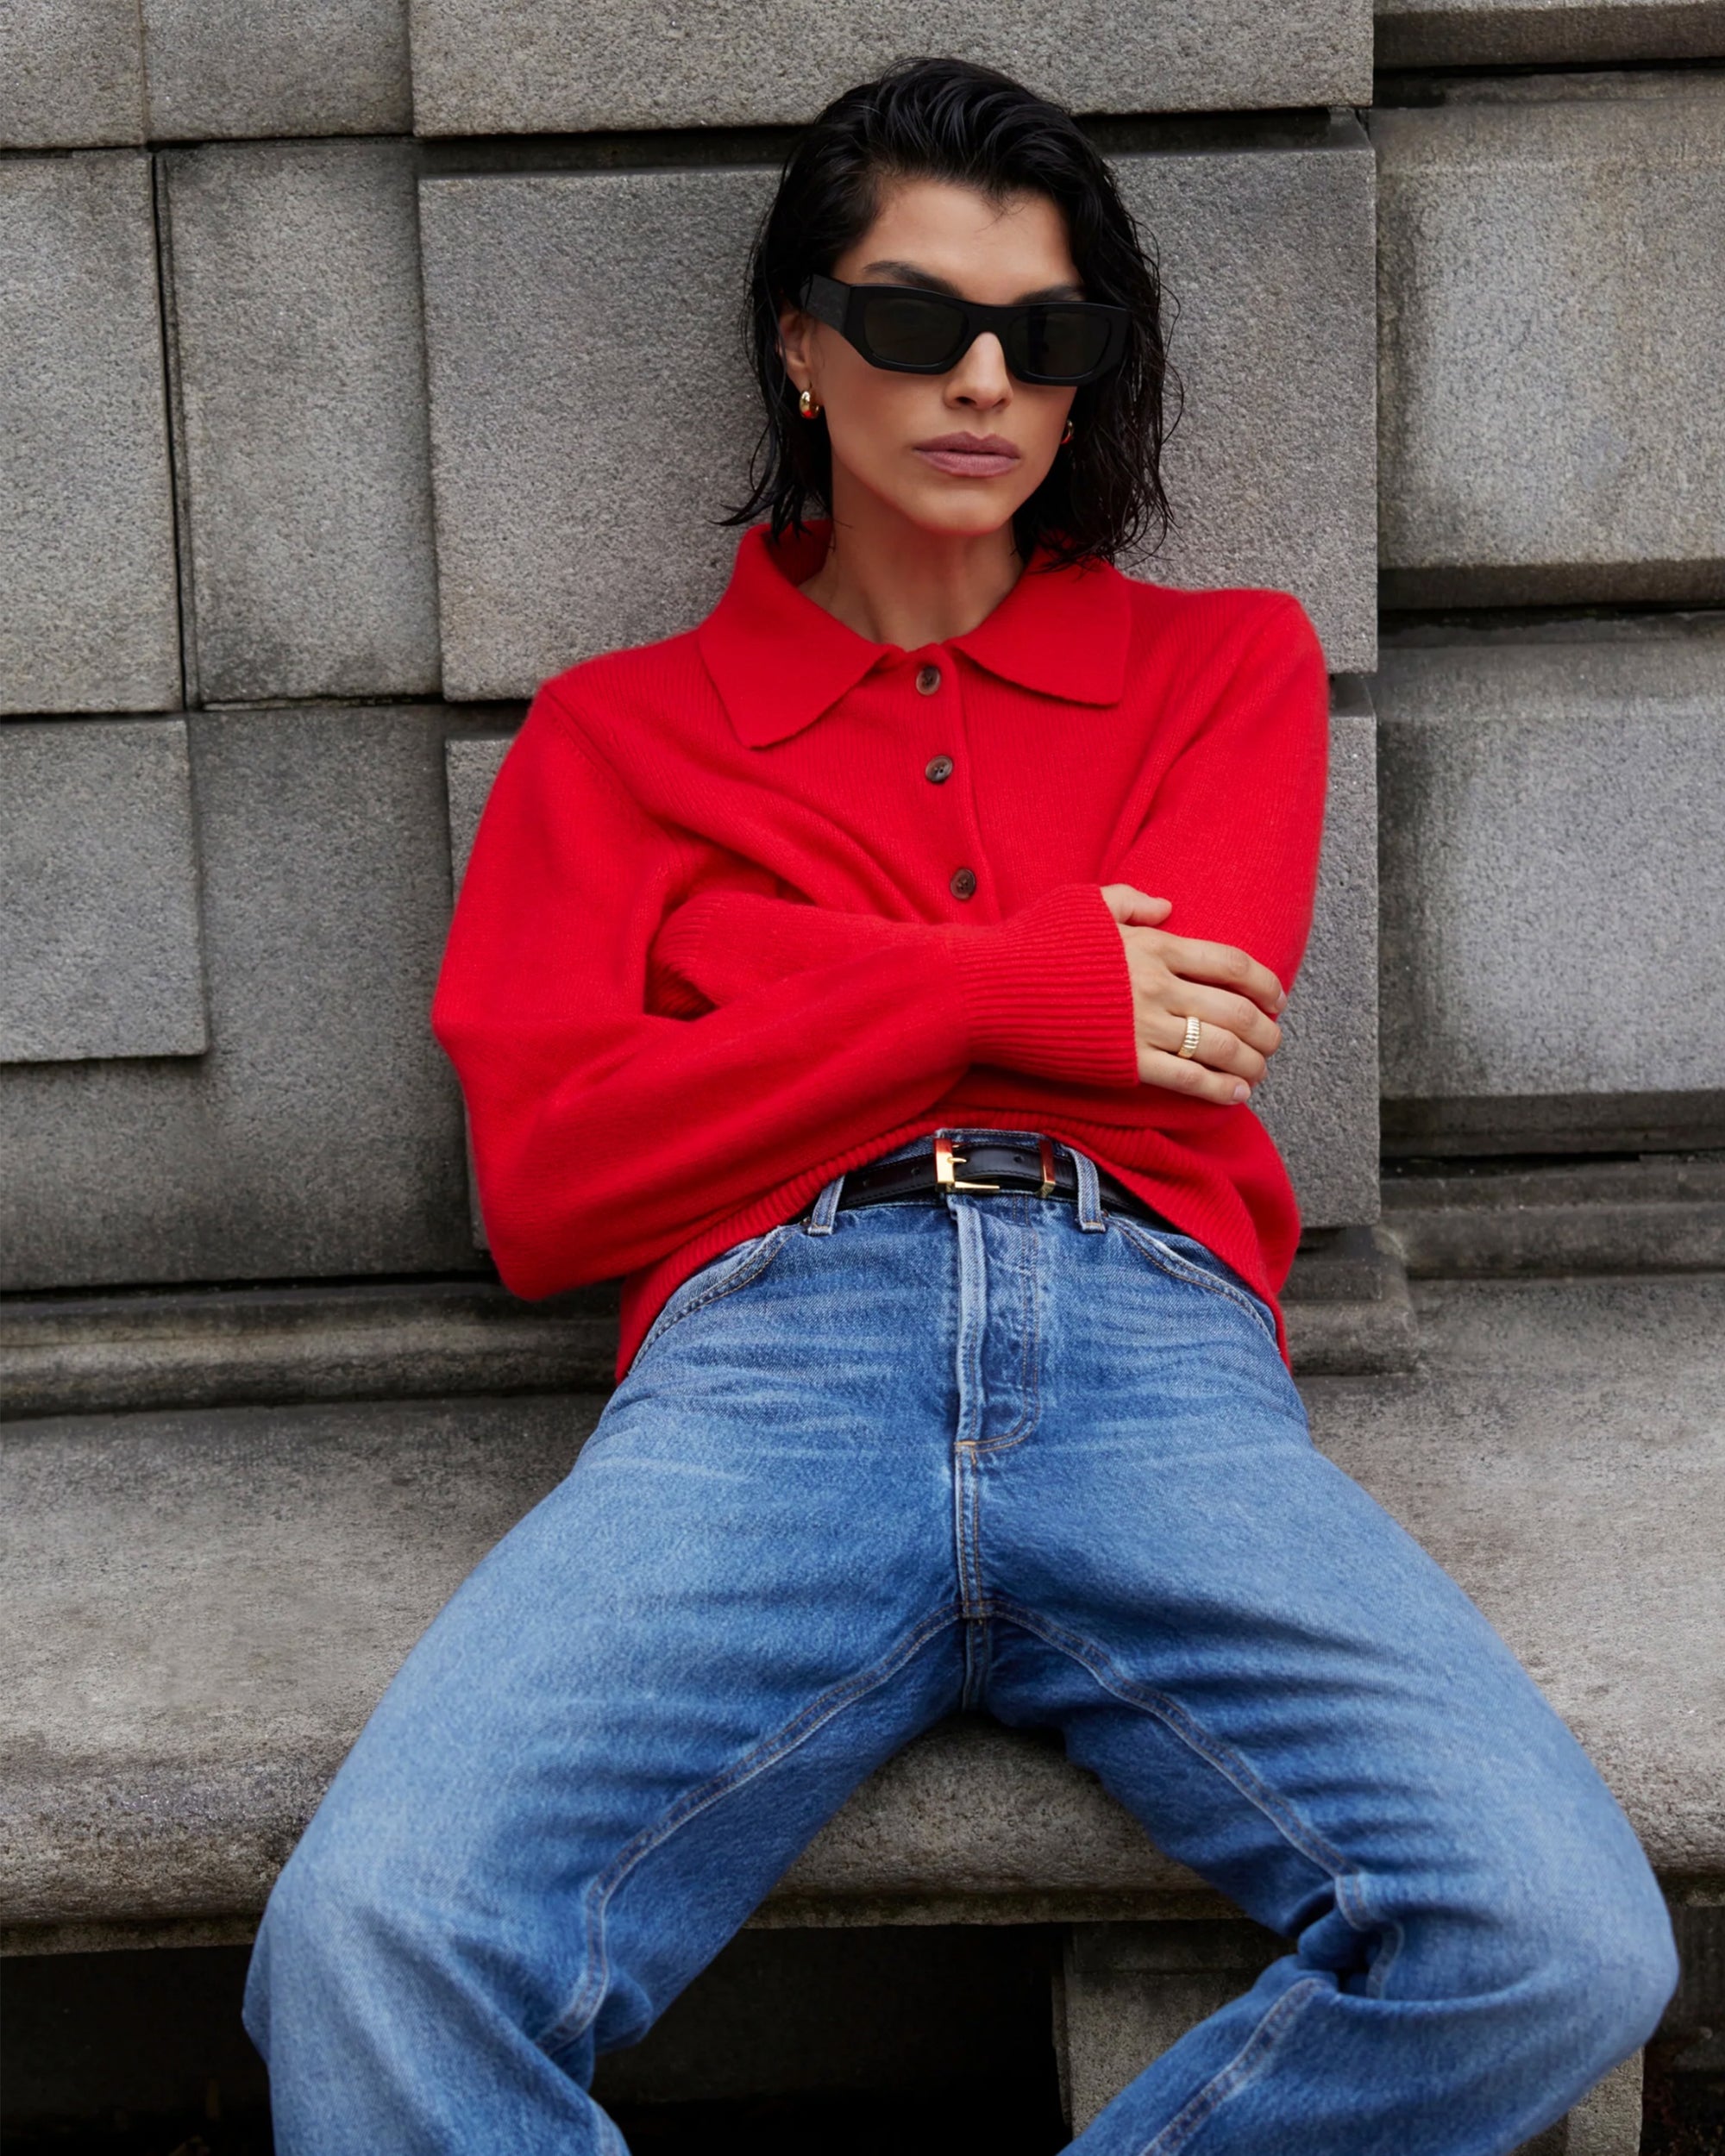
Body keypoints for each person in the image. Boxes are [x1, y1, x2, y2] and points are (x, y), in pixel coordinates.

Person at [244, 56, 1676, 2153]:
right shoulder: (612, 737)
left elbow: (1184, 1044)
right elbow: (551, 1188)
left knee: (1555, 1930)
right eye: (915, 321)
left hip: (1151, 1347)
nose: (982, 377)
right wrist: (993, 983)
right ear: (802, 346)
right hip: (765, 1363)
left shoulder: (1228, 668)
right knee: (366, 1939)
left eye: (1047, 332)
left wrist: (757, 993)